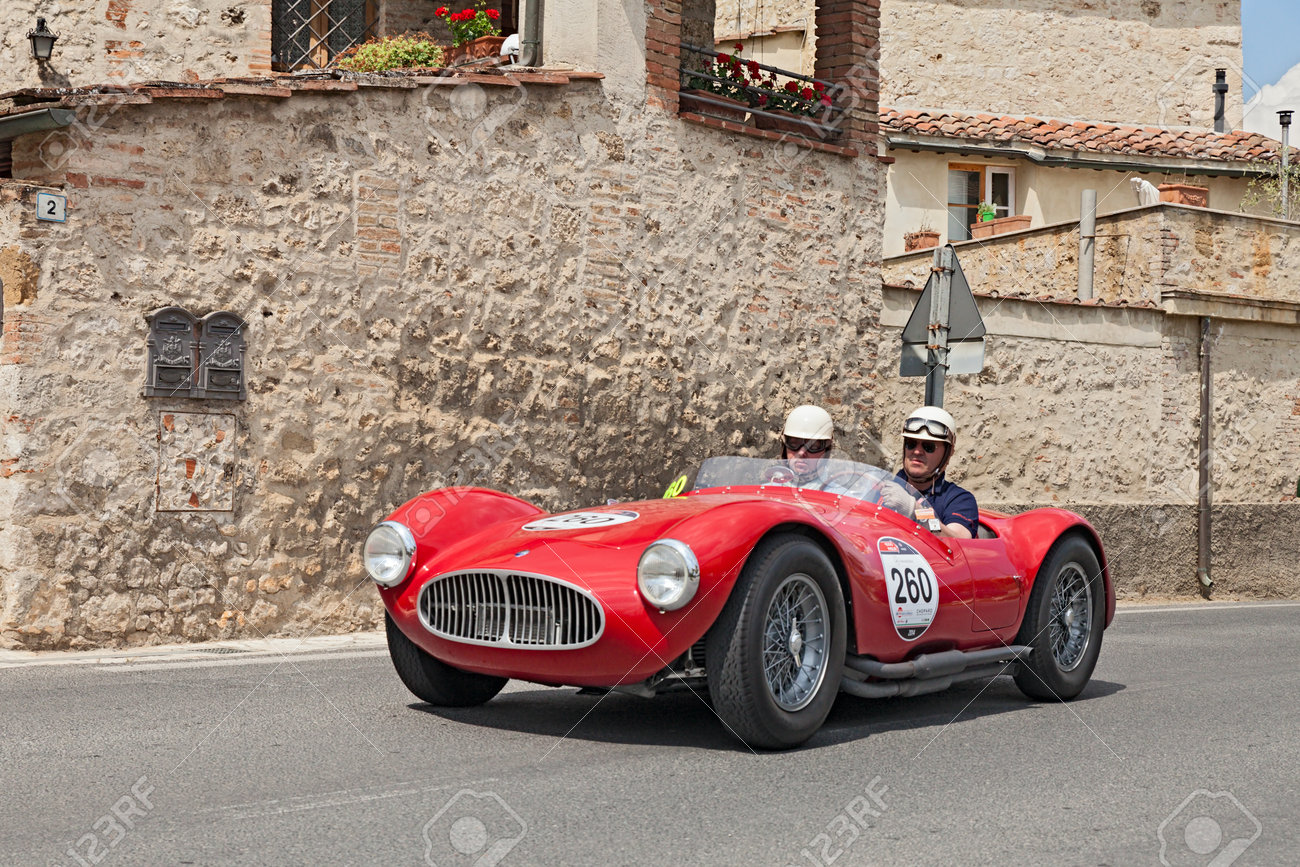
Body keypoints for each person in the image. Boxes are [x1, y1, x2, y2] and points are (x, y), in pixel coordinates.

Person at [895, 405, 978, 539]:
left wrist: (914, 509)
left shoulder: (958, 499)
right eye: (911, 443)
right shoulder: (881, 487)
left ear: (948, 452)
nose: (917, 451)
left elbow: (958, 540)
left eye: (928, 446)